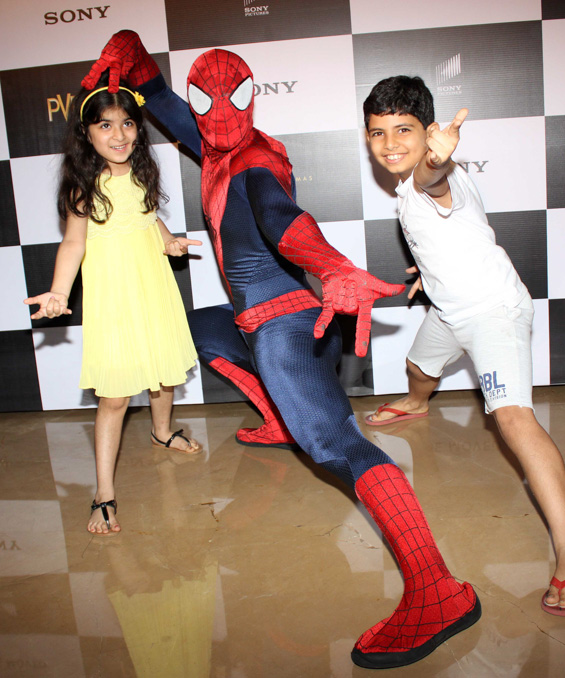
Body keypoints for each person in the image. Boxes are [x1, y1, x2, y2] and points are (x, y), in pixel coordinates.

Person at [80, 31, 481, 669]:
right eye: (204, 104)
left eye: (228, 102)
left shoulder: (255, 161)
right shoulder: (217, 145)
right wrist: (133, 54)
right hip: (252, 323)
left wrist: (331, 264)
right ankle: (277, 416)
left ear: (250, 100)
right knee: (190, 329)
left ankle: (437, 589)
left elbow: (283, 218)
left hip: (286, 326)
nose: (214, 116)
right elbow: (172, 109)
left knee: (336, 447)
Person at [363, 75, 565, 616]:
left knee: (513, 420)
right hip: (450, 309)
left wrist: (437, 159)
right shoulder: (406, 189)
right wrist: (429, 272)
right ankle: (417, 403)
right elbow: (448, 226)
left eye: (404, 130)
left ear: (430, 133)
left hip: (494, 312)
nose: (390, 144)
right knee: (417, 367)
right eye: (378, 133)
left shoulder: (433, 175)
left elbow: (433, 180)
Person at [24, 75, 203, 535]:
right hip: (114, 297)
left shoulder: (142, 173)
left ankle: (162, 431)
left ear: (138, 129)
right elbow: (73, 244)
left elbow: (148, 217)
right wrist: (59, 291)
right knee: (115, 397)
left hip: (153, 286)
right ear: (87, 133)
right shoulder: (84, 186)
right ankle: (103, 492)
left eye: (127, 123)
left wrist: (169, 241)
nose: (119, 134)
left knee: (164, 371)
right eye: (105, 125)